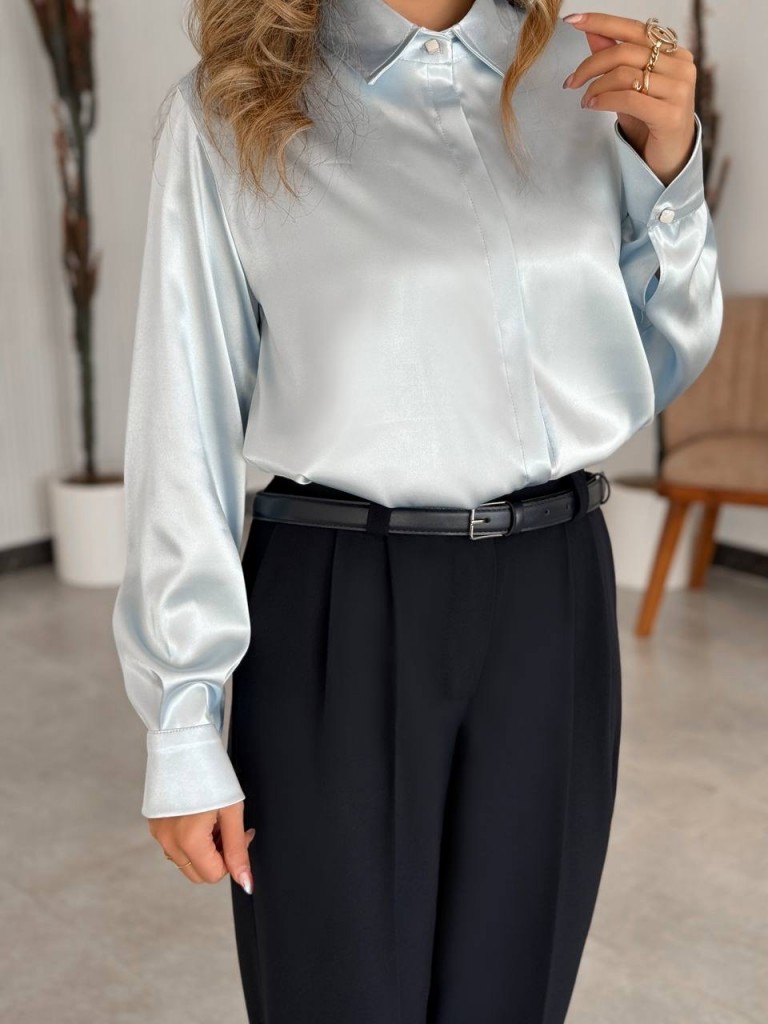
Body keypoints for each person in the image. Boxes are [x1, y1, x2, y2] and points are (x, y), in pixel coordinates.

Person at [111, 0, 722, 1021]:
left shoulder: (585, 80)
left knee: (513, 993)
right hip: (336, 602)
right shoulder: (231, 109)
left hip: (553, 593)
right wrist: (182, 725)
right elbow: (184, 418)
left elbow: (654, 359)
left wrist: (670, 165)